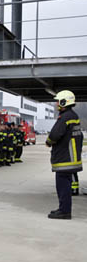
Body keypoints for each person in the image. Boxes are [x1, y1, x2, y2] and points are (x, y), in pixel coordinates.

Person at [46, 90, 83, 220]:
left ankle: (64, 211)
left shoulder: (66, 117)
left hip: (65, 158)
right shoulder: (73, 116)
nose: (57, 104)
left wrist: (48, 142)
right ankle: (63, 209)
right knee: (65, 185)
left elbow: (55, 134)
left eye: (58, 101)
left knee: (63, 186)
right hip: (71, 157)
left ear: (64, 102)